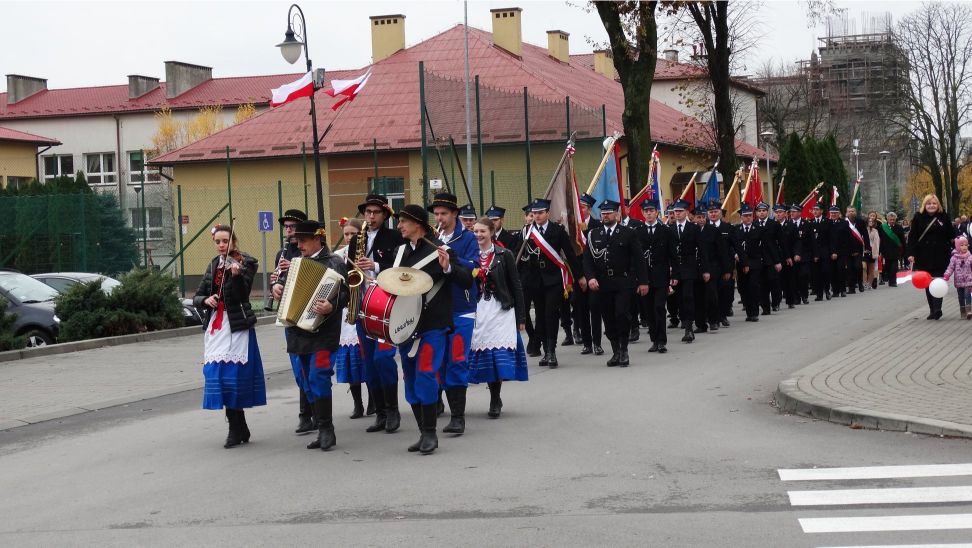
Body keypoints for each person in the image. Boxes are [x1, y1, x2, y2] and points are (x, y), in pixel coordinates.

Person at [392, 204, 473, 454]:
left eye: (404, 221)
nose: (399, 226)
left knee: (427, 374)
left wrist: (448, 267)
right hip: (407, 327)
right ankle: (422, 432)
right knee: (411, 380)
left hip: (434, 326)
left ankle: (430, 434)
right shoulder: (400, 253)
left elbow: (466, 278)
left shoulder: (440, 249)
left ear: (418, 224)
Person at [271, 221, 349, 451]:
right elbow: (285, 287)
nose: (299, 245)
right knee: (305, 379)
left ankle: (327, 430)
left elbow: (346, 293)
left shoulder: (334, 261)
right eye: (297, 241)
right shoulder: (297, 263)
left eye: (303, 241)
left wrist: (331, 305)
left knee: (319, 376)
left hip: (324, 332)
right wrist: (278, 287)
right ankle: (320, 425)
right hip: (298, 329)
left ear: (318, 239)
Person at [194, 224, 266, 449]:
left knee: (233, 377)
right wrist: (206, 300)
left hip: (236, 326)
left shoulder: (246, 262)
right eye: (218, 242)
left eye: (225, 241)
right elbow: (198, 295)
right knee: (217, 375)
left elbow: (242, 295)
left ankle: (235, 429)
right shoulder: (214, 264)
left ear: (233, 241)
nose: (221, 245)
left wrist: (235, 277)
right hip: (216, 327)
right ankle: (239, 425)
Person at [349, 194, 405, 435]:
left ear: (385, 215)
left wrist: (377, 267)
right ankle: (380, 413)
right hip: (362, 305)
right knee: (369, 363)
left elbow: (404, 268)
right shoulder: (356, 240)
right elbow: (349, 268)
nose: (370, 217)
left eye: (375, 212)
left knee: (383, 359)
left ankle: (393, 410)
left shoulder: (395, 237)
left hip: (386, 306)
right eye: (367, 212)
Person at [429, 192, 479, 435]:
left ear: (454, 214)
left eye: (443, 214)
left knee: (457, 360)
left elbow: (474, 268)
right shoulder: (431, 237)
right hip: (436, 307)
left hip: (462, 307)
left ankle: (458, 417)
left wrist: (450, 259)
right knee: (437, 358)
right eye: (436, 214)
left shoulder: (467, 238)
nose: (439, 218)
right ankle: (437, 401)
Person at [468, 217, 528, 417]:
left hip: (500, 309)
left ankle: (495, 397)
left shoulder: (504, 255)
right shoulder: (470, 255)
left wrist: (521, 317)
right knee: (481, 352)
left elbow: (516, 285)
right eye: (475, 231)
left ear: (492, 232)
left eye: (482, 231)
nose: (478, 235)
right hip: (477, 308)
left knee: (496, 355)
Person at [516, 198, 585, 368]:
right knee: (540, 315)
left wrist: (580, 276)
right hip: (534, 280)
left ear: (547, 213)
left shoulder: (557, 230)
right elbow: (517, 256)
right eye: (534, 213)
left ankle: (551, 351)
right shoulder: (526, 231)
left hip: (553, 279)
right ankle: (546, 350)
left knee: (550, 314)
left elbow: (569, 253)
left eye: (540, 212)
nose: (537, 216)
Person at [583, 199, 648, 366]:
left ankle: (624, 349)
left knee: (621, 314)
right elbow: (588, 260)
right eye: (603, 213)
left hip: (623, 281)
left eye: (609, 212)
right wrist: (590, 277)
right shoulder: (594, 234)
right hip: (603, 283)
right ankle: (615, 351)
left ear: (617, 215)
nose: (605, 216)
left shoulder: (628, 233)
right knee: (608, 317)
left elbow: (639, 259)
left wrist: (643, 282)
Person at [271, 209, 317, 435]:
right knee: (298, 366)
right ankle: (306, 413)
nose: (288, 230)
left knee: (310, 367)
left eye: (292, 226)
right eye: (286, 226)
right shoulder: (282, 252)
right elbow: (278, 280)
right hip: (289, 312)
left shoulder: (306, 250)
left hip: (309, 311)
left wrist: (296, 267)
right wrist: (275, 286)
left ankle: (311, 413)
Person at [332, 218, 369, 419]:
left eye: (353, 234)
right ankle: (358, 404)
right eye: (346, 234)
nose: (348, 238)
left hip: (363, 306)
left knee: (365, 359)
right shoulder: (337, 256)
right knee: (350, 362)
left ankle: (374, 401)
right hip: (345, 311)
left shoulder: (365, 254)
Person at [907, 194, 957, 319]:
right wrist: (911, 253)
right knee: (927, 281)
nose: (931, 206)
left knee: (938, 281)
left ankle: (937, 309)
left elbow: (951, 234)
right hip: (923, 255)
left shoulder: (943, 216)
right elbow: (912, 237)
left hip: (941, 254)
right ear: (925, 205)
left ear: (938, 205)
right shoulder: (918, 217)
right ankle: (932, 309)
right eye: (929, 203)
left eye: (934, 203)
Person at [638, 199, 676, 353]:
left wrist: (675, 275)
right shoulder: (637, 232)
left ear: (657, 213)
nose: (648, 213)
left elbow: (672, 255)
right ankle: (654, 339)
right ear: (642, 213)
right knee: (648, 311)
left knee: (659, 307)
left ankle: (662, 341)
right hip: (644, 278)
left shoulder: (666, 231)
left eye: (651, 210)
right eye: (646, 211)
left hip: (661, 277)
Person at [669, 199, 707, 343]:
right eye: (675, 212)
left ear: (686, 212)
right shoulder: (670, 228)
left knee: (688, 296)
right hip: (675, 268)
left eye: (680, 211)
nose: (677, 214)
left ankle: (689, 327)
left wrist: (705, 270)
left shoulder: (694, 228)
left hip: (690, 267)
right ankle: (684, 319)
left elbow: (702, 250)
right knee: (678, 298)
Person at [696, 201, 729, 331]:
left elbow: (722, 251)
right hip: (697, 268)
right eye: (698, 217)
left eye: (703, 217)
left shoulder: (713, 231)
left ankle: (713, 320)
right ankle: (700, 323)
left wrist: (726, 269)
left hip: (712, 267)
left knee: (711, 295)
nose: (701, 220)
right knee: (698, 296)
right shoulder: (692, 230)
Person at [754, 202, 783, 314]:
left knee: (773, 282)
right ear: (756, 213)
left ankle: (776, 302)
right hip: (758, 259)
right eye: (759, 211)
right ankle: (765, 307)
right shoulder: (754, 224)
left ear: (767, 212)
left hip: (772, 259)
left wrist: (779, 260)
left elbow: (781, 243)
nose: (761, 213)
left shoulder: (774, 224)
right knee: (761, 285)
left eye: (764, 211)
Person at [807, 202, 834, 301]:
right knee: (816, 274)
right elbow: (810, 240)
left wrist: (832, 252)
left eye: (817, 209)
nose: (815, 211)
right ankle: (819, 294)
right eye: (814, 209)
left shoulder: (827, 221)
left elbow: (832, 238)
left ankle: (827, 290)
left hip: (825, 252)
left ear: (821, 211)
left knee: (826, 272)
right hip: (814, 253)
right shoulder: (810, 223)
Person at [943, 236, 972, 319]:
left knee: (967, 294)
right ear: (958, 247)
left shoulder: (970, 257)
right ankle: (963, 311)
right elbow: (950, 267)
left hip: (968, 280)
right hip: (958, 281)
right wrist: (947, 275)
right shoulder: (954, 258)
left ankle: (969, 310)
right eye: (962, 245)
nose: (964, 247)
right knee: (961, 296)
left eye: (966, 245)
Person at [788, 204, 811, 304]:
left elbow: (812, 241)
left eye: (794, 211)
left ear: (800, 213)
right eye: (791, 211)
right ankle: (796, 297)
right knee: (793, 278)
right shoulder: (788, 224)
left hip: (805, 255)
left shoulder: (806, 224)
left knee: (803, 276)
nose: (791, 213)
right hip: (792, 256)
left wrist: (815, 254)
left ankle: (804, 295)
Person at [844, 207, 870, 294]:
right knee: (850, 269)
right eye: (849, 211)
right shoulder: (844, 222)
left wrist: (867, 248)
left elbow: (865, 235)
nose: (851, 213)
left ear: (855, 212)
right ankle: (851, 288)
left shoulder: (860, 222)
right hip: (847, 250)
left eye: (852, 211)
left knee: (858, 267)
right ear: (846, 213)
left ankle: (860, 283)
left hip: (858, 249)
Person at [879, 212, 906, 287]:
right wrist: (880, 250)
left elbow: (902, 240)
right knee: (888, 266)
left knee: (894, 266)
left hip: (895, 250)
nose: (892, 221)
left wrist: (904, 250)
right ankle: (890, 279)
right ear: (887, 219)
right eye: (890, 219)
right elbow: (880, 239)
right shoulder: (882, 227)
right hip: (886, 250)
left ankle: (893, 281)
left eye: (894, 219)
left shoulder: (899, 227)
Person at [864, 213, 881, 290]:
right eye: (869, 221)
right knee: (864, 267)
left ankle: (869, 284)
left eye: (872, 221)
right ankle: (864, 283)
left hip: (872, 250)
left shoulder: (875, 231)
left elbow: (877, 242)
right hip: (864, 251)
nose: (870, 222)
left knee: (871, 269)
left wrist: (876, 253)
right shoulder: (863, 230)